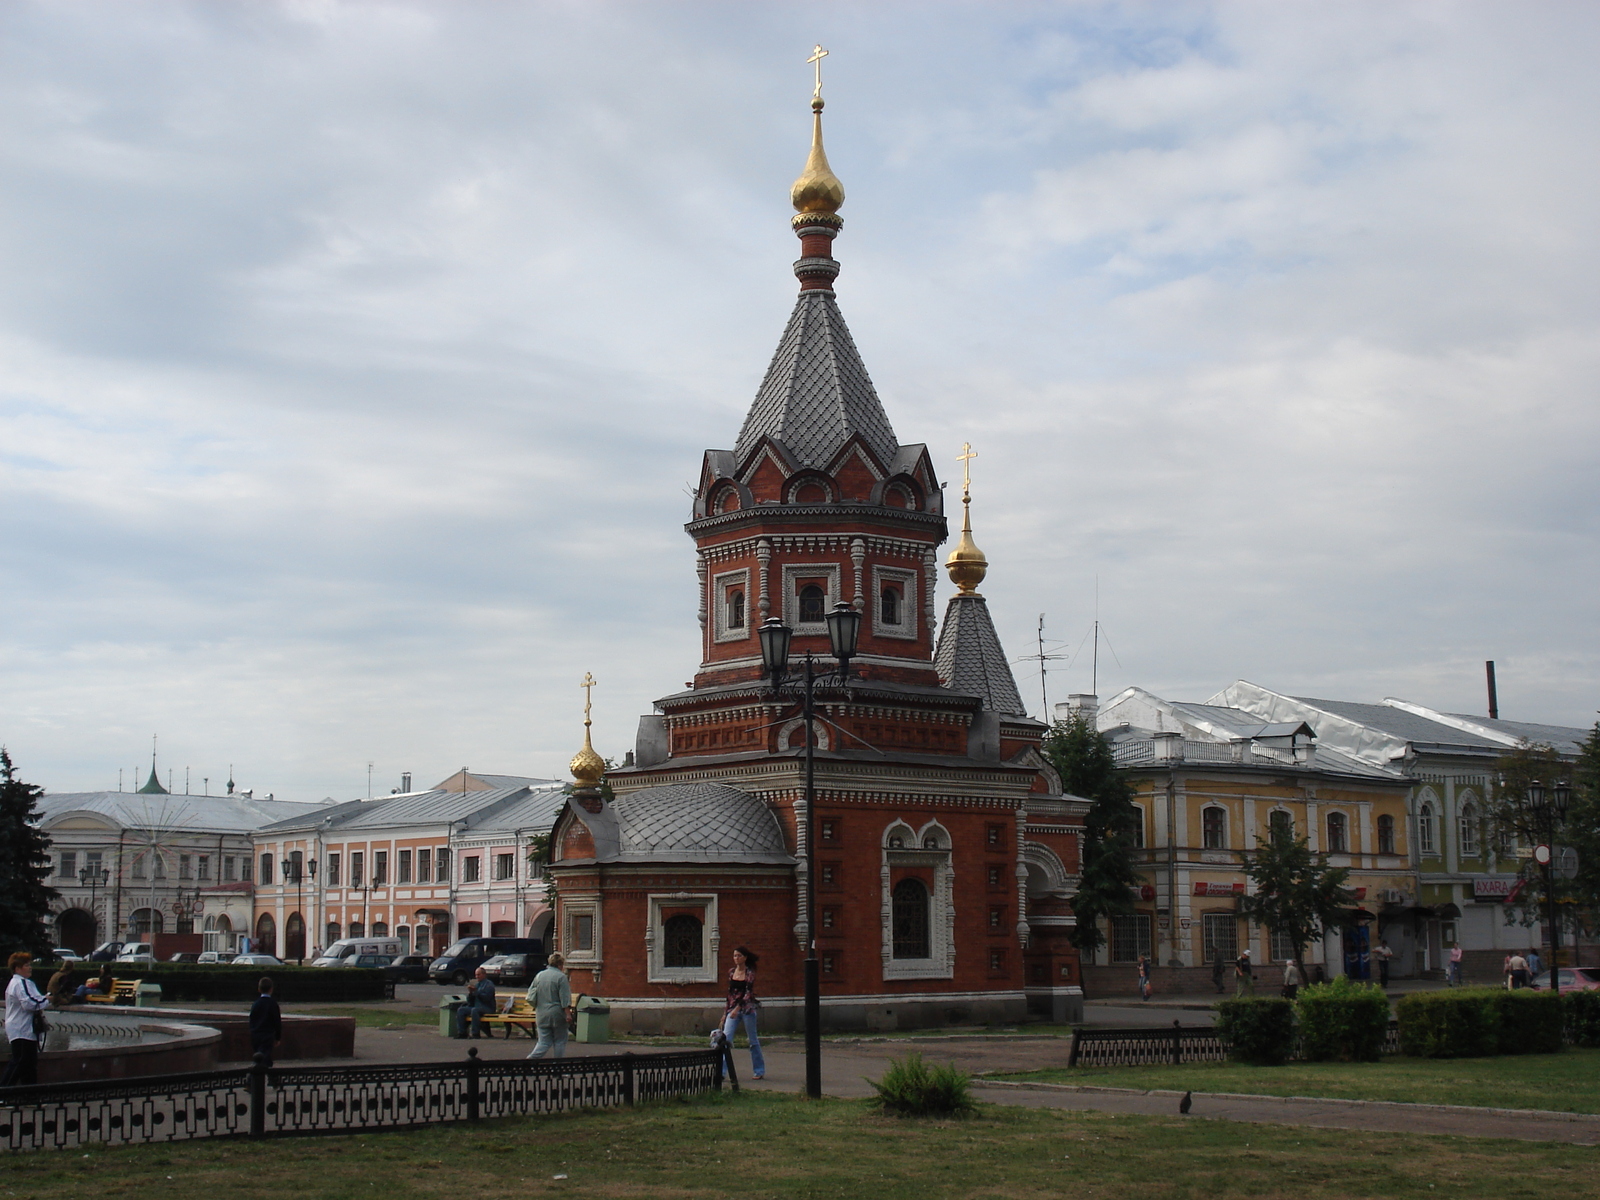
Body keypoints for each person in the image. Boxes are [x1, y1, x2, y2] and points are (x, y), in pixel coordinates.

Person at [2, 953, 53, 1087]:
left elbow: (34, 999)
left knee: (29, 1063)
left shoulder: (25, 983)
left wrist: (45, 999)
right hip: (21, 1028)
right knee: (20, 1061)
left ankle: (29, 1095)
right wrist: (47, 1000)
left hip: (25, 1028)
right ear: (17, 968)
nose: (30, 967)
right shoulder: (20, 983)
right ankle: (4, 1092)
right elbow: (29, 1003)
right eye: (26, 965)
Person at [720, 946, 764, 1080]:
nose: (736, 958)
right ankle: (721, 1072)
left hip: (747, 1010)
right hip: (731, 1010)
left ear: (745, 958)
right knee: (726, 1040)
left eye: (739, 956)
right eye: (734, 956)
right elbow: (730, 994)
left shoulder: (749, 973)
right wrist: (725, 1013)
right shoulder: (731, 972)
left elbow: (748, 993)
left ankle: (759, 1070)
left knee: (752, 1041)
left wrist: (737, 1009)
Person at [526, 953, 572, 1060]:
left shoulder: (539, 975)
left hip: (541, 1013)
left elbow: (531, 994)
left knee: (543, 1042)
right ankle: (557, 1068)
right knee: (560, 1041)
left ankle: (530, 1060)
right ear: (560, 964)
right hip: (557, 1014)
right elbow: (565, 999)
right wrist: (568, 1014)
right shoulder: (561, 977)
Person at [249, 977, 282, 1068]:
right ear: (271, 989)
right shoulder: (273, 1004)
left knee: (260, 1056)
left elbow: (252, 1019)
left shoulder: (256, 1004)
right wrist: (277, 1037)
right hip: (267, 1035)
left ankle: (266, 1077)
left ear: (259, 989)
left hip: (255, 1034)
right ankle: (255, 1076)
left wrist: (252, 1031)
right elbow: (277, 1021)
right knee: (264, 1057)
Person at [457, 968, 496, 1039]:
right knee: (461, 1010)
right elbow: (470, 1002)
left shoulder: (489, 985)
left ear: (484, 975)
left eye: (478, 975)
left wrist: (476, 992)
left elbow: (487, 998)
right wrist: (471, 994)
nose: (477, 976)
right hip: (477, 1007)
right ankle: (462, 1033)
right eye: (476, 975)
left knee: (475, 1011)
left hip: (487, 1007)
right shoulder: (477, 985)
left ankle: (475, 1033)